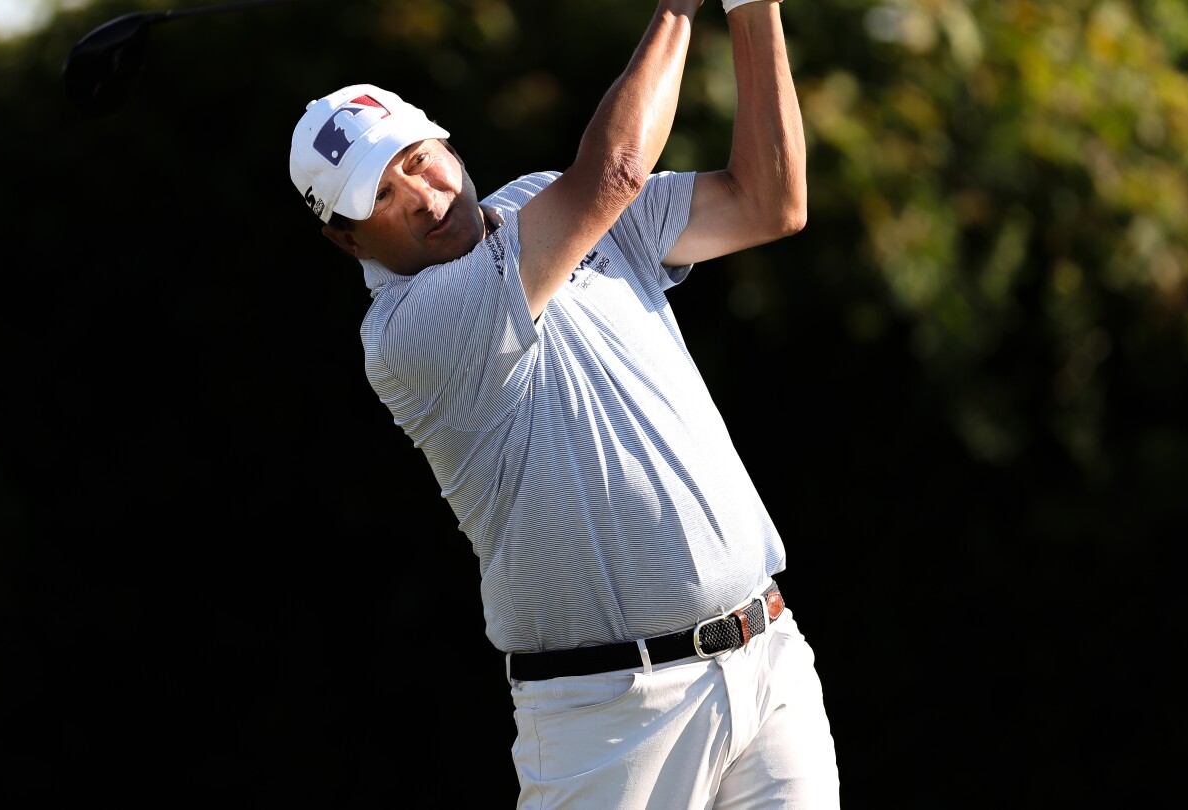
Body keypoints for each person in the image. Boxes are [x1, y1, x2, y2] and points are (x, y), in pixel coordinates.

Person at [287, 0, 839, 807]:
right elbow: (615, 173)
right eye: (380, 189)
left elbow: (770, 202)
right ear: (346, 238)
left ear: (446, 141)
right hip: (611, 719)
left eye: (415, 156)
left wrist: (752, 9)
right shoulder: (408, 336)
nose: (420, 191)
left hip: (767, 657)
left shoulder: (548, 199)